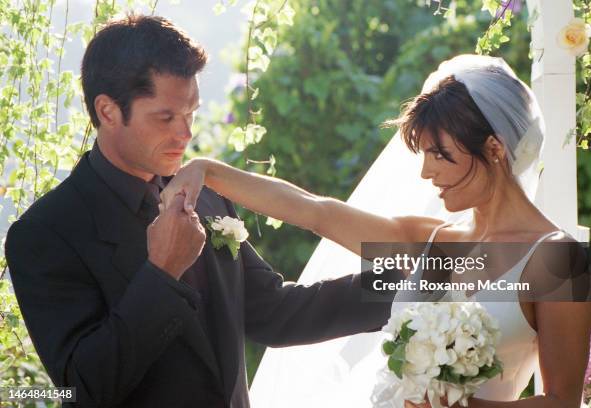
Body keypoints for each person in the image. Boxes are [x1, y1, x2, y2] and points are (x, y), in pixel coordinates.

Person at [4, 15, 398, 408]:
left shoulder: (204, 195)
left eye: (191, 113)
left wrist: (426, 280)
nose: (185, 134)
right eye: (166, 117)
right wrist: (161, 273)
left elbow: (277, 311)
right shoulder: (43, 233)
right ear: (107, 111)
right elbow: (82, 387)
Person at [162, 55, 591, 407]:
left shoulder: (558, 261)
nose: (426, 171)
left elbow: (562, 400)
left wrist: (454, 404)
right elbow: (317, 212)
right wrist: (208, 171)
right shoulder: (431, 242)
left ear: (494, 149)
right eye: (423, 154)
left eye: (439, 154)